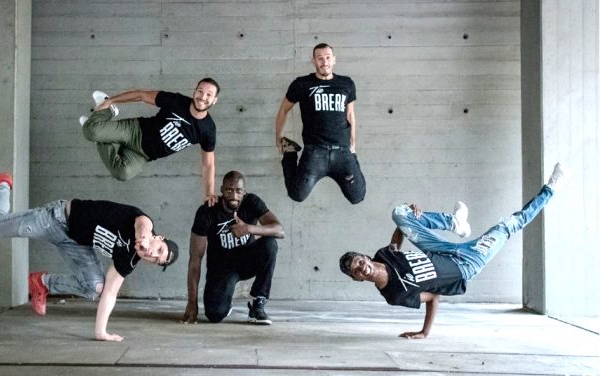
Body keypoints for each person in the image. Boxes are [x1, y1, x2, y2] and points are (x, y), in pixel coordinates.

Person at [339, 163, 566, 339]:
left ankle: (454, 222)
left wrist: (411, 210)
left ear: (365, 257)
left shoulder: (384, 254)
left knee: (399, 214)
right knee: (508, 225)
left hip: (441, 250)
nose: (361, 268)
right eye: (355, 272)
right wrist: (424, 332)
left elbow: (401, 229)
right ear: (357, 279)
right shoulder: (394, 294)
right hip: (466, 263)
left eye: (359, 262)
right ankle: (551, 188)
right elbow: (433, 297)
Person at [0, 172, 179, 342]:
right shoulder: (143, 222)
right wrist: (142, 238)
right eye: (159, 250)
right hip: (56, 219)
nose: (152, 255)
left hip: (75, 243)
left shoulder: (129, 260)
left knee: (96, 287)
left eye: (155, 260)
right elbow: (143, 225)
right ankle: (1, 184)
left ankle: (43, 283)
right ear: (158, 238)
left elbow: (110, 294)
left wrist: (101, 332)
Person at [79, 78, 220, 206]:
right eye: (200, 91)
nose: (202, 97)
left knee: (123, 173)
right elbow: (141, 95)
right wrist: (111, 101)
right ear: (194, 91)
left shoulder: (208, 129)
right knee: (90, 132)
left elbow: (208, 164)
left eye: (209, 95)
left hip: (143, 155)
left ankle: (100, 132)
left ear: (215, 100)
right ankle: (108, 111)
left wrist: (209, 193)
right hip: (135, 131)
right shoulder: (176, 101)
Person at [182, 171, 284, 325]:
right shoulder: (207, 211)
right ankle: (225, 300)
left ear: (244, 192)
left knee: (270, 244)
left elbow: (279, 230)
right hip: (221, 268)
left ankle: (257, 304)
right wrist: (191, 302)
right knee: (215, 315)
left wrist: (250, 228)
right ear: (222, 190)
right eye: (229, 190)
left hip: (247, 261)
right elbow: (195, 259)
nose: (234, 196)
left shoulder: (252, 202)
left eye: (238, 191)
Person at [274, 43, 366, 204]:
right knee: (297, 195)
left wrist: (353, 144)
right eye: (320, 58)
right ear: (314, 61)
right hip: (315, 153)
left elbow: (350, 113)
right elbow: (283, 110)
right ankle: (290, 154)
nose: (325, 62)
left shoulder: (346, 83)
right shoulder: (302, 84)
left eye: (328, 57)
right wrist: (278, 137)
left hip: (342, 152)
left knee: (357, 196)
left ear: (334, 59)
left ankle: (353, 159)